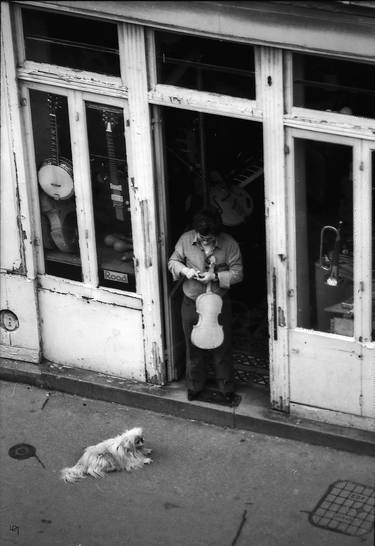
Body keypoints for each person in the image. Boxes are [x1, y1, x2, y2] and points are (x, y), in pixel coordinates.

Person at [168, 207, 243, 402]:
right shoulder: (185, 239)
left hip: (218, 303)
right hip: (191, 301)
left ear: (217, 232)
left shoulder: (230, 244)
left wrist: (215, 276)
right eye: (202, 237)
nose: (206, 241)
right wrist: (185, 271)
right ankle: (194, 387)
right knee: (193, 346)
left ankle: (226, 388)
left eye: (210, 237)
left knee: (221, 346)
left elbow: (238, 273)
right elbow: (173, 261)